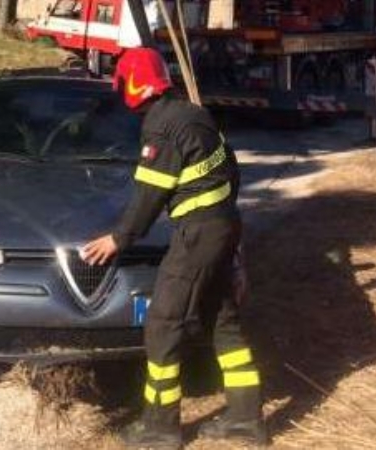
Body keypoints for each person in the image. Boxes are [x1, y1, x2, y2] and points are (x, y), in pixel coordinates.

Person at [81, 48, 266, 449]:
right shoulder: (194, 114)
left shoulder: (160, 126)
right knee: (223, 321)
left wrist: (119, 238)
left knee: (164, 324)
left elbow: (150, 193)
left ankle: (160, 430)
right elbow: (231, 170)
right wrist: (223, 223)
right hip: (222, 226)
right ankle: (245, 420)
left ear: (130, 84)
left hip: (197, 235)